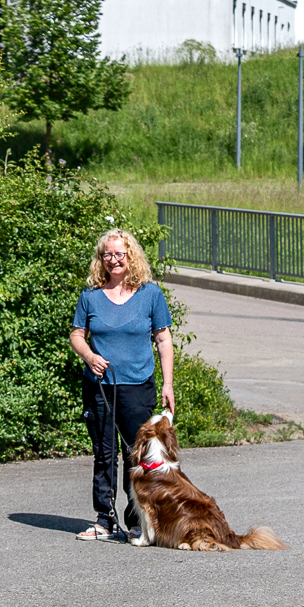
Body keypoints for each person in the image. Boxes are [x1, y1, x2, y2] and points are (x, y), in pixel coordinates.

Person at [69, 228, 174, 545]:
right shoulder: (90, 296)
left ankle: (139, 521)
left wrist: (168, 383)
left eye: (119, 254)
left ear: (131, 257)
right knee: (103, 455)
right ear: (100, 259)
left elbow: (163, 339)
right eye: (107, 255)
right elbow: (77, 335)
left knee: (138, 455)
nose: (113, 260)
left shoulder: (150, 294)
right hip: (100, 386)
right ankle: (104, 520)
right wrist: (89, 356)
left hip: (137, 386)